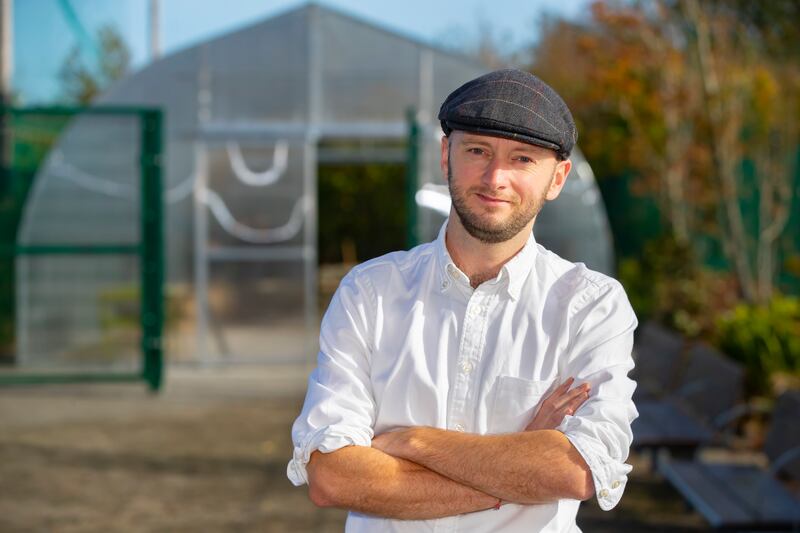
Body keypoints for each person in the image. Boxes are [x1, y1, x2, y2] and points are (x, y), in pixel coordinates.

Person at [287, 68, 638, 532]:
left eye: (523, 159)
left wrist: (412, 442)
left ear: (558, 179)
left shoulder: (591, 306)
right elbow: (332, 477)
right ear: (445, 156)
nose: (496, 177)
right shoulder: (369, 293)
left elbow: (577, 469)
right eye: (477, 150)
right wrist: (518, 459)